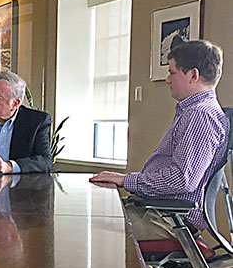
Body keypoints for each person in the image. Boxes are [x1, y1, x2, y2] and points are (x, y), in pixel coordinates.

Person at [90, 40, 230, 240]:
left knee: (89, 230)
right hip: (159, 211)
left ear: (193, 75)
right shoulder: (192, 111)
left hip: (170, 220)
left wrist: (125, 180)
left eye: (172, 72)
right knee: (90, 219)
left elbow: (182, 180)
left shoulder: (200, 115)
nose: (167, 79)